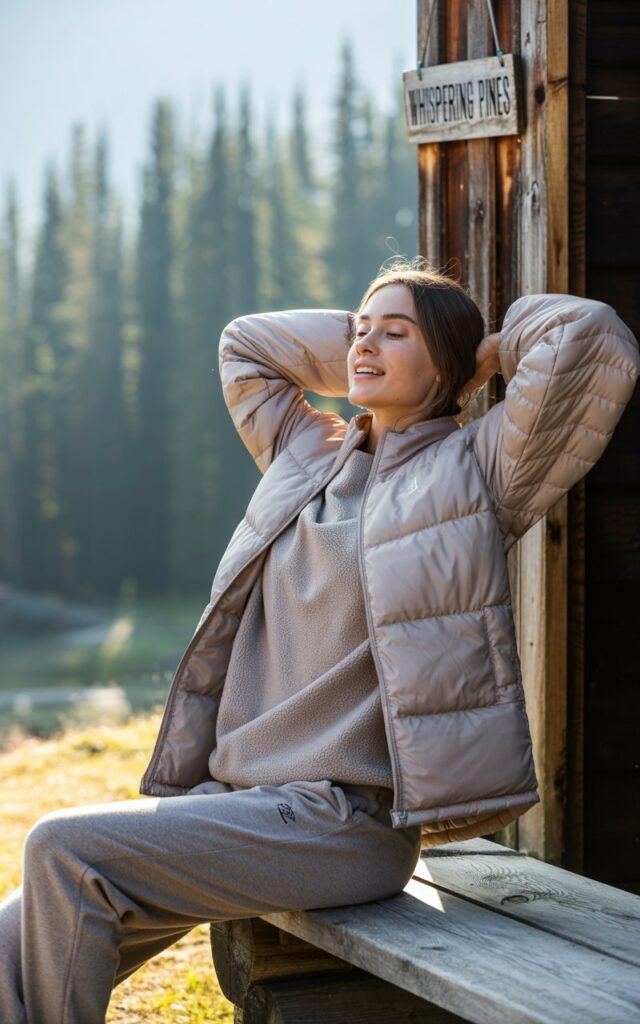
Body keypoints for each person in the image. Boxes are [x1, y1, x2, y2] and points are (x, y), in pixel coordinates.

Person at [1, 258, 638, 1024]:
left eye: (394, 334)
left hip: (338, 823)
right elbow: (246, 346)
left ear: (449, 362)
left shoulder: (476, 472)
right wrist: (375, 341)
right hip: (236, 807)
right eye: (359, 331)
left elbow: (591, 338)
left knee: (60, 850)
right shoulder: (303, 456)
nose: (364, 345)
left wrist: (486, 349)